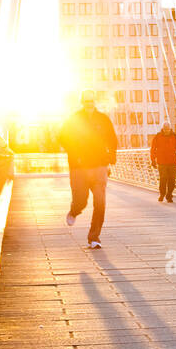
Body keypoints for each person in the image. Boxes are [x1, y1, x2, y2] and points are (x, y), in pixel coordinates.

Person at [59, 89, 118, 249]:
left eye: (91, 101)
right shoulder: (74, 119)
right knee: (81, 200)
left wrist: (111, 157)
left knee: (100, 203)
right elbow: (62, 138)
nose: (89, 104)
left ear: (95, 102)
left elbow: (112, 139)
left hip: (99, 166)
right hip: (79, 167)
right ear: (82, 102)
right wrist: (75, 153)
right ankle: (74, 211)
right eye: (86, 101)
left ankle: (94, 237)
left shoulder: (103, 119)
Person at [150, 122, 176, 202]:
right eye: (165, 129)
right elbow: (153, 149)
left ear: (170, 129)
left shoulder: (175, 137)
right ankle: (162, 194)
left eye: (168, 129)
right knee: (163, 179)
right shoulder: (157, 137)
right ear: (163, 129)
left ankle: (169, 195)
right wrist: (153, 160)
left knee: (172, 180)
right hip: (161, 162)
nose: (166, 131)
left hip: (172, 162)